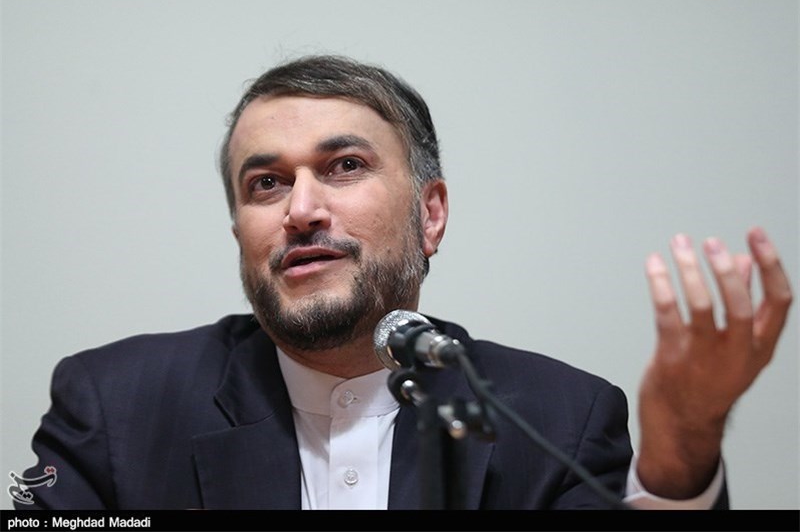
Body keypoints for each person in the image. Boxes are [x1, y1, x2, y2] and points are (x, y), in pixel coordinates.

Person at [14, 55, 793, 511]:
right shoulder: (115, 406)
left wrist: (682, 446)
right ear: (240, 231)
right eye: (265, 183)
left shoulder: (558, 418)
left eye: (344, 166)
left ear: (431, 214)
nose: (301, 210)